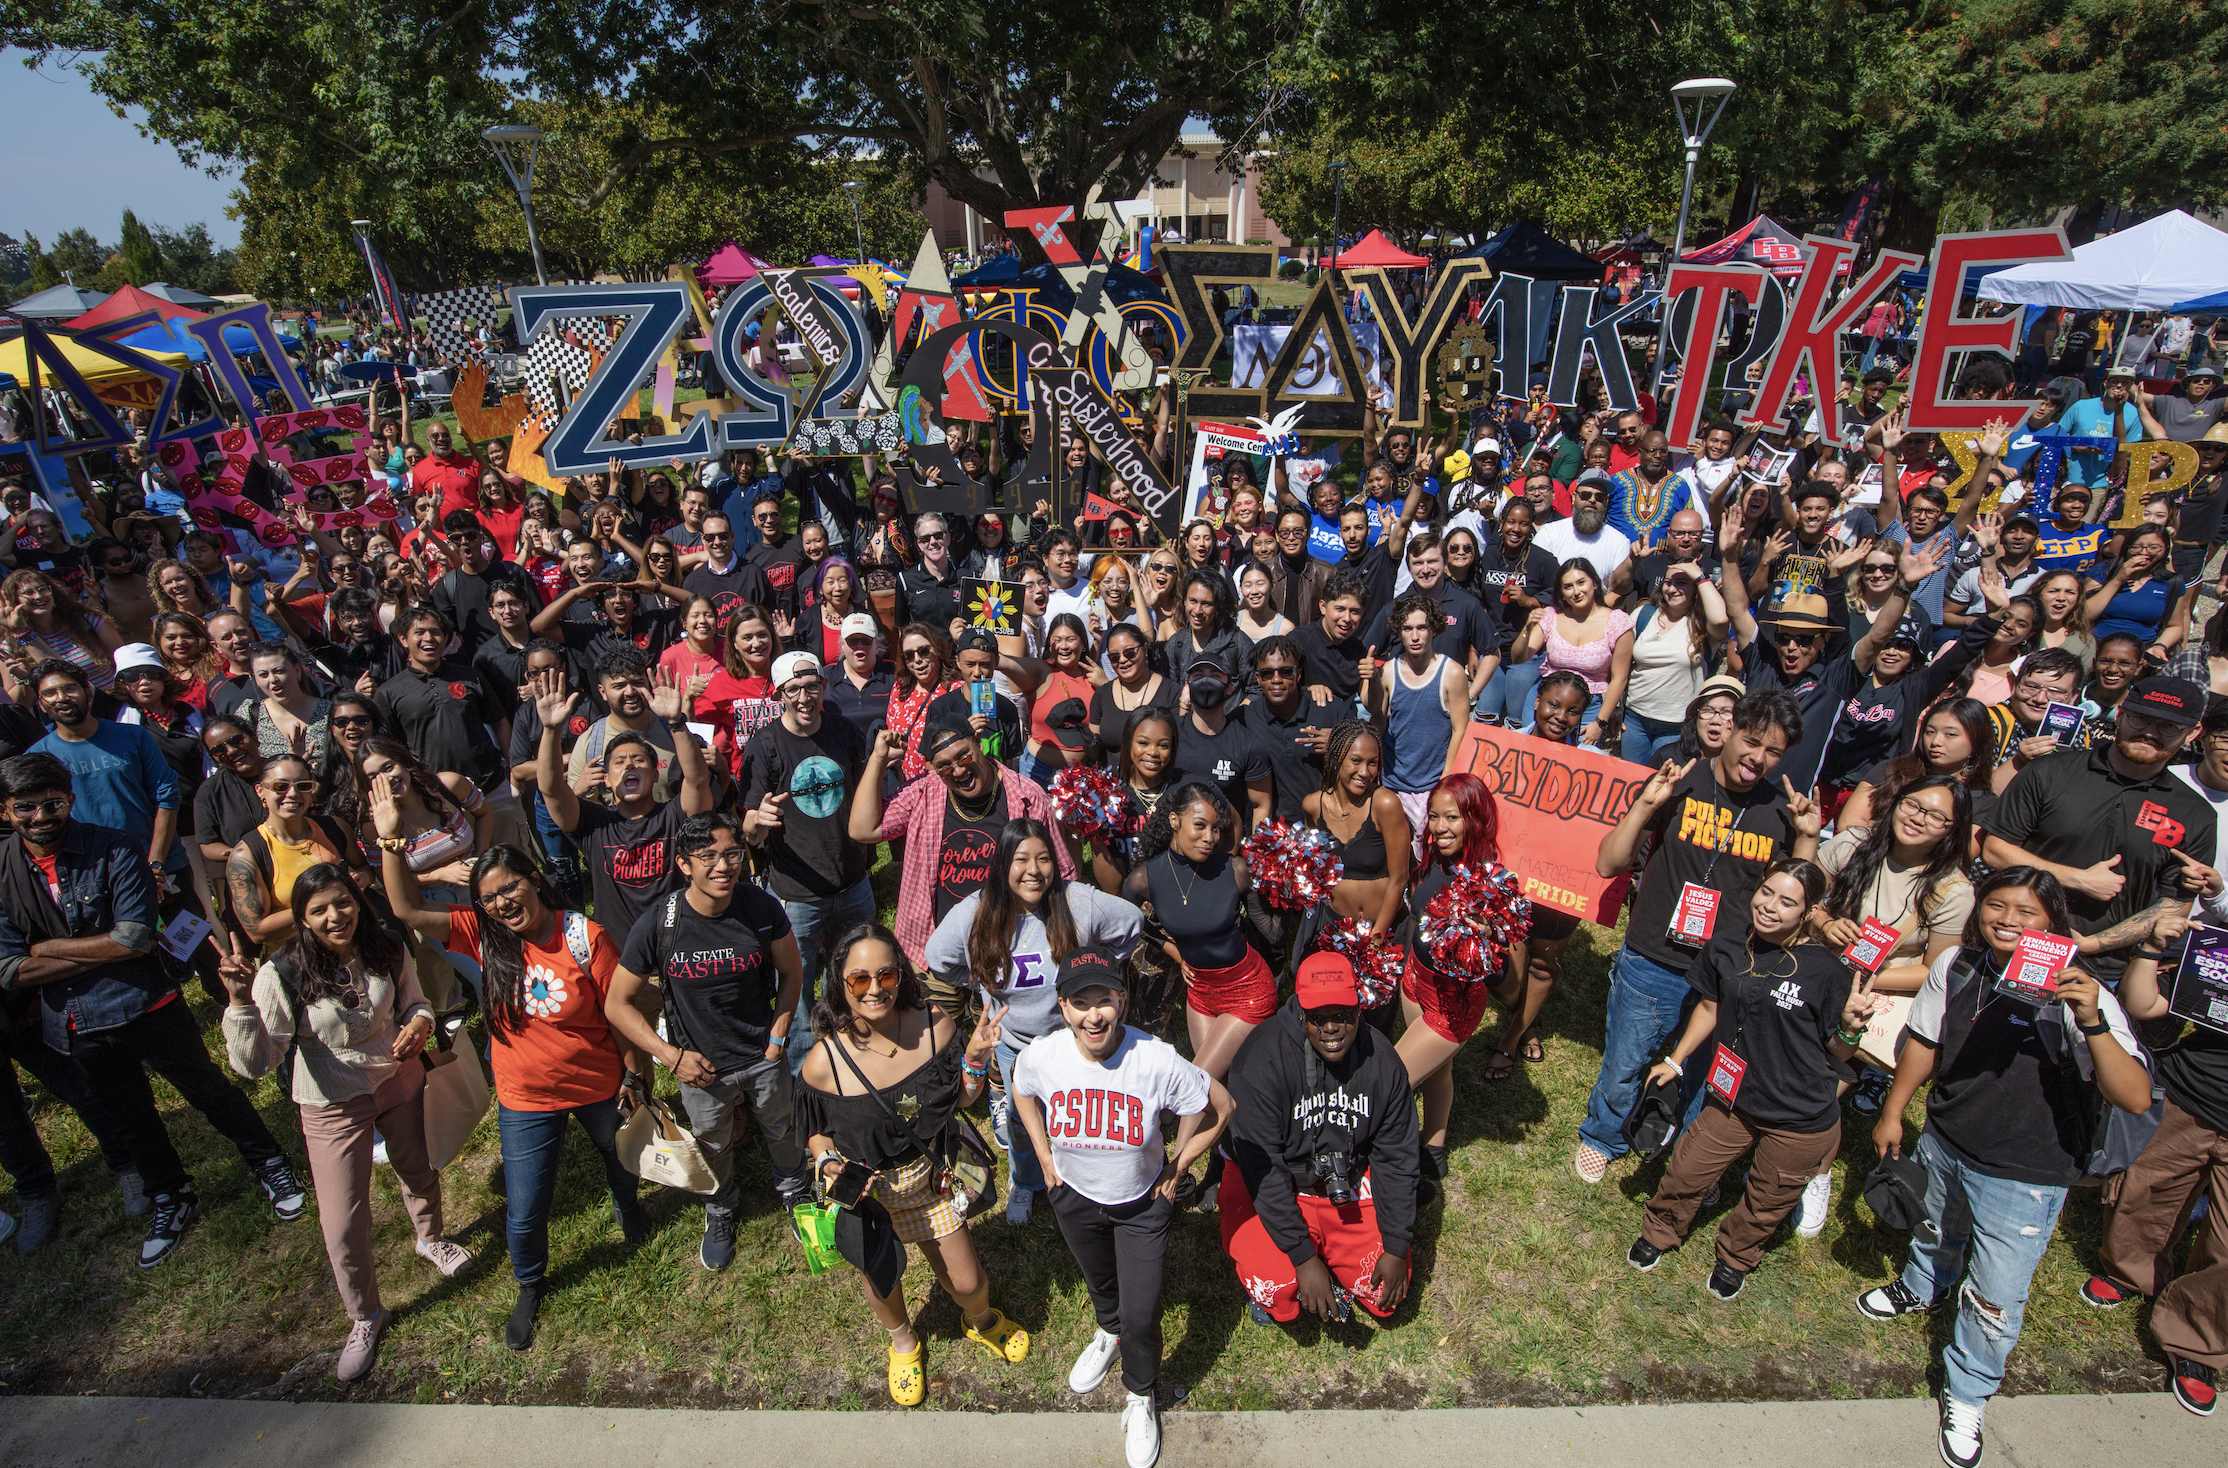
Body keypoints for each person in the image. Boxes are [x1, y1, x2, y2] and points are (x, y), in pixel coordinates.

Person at [1858, 867, 2152, 1468]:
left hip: (2027, 1172)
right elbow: (1925, 1038)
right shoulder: (1958, 966)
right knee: (1933, 1228)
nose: (2009, 921)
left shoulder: (2082, 993)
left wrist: (2092, 1018)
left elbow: (2136, 1096)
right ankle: (1923, 1286)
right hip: (1946, 1139)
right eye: (1997, 906)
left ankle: (1968, 1392)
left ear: (2053, 923)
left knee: (1995, 1295)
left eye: (2028, 912)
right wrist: (1895, 1111)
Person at [0, 752, 305, 1268]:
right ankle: (171, 1195)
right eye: (25, 807)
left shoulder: (114, 847)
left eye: (52, 802)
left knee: (208, 1088)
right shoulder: (2, 870)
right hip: (76, 1020)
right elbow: (7, 969)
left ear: (69, 798)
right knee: (131, 1117)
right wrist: (82, 950)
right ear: (5, 810)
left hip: (147, 1002)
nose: (41, 816)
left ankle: (269, 1162)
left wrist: (43, 949)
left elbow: (136, 938)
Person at [370, 834, 647, 1351]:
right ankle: (530, 1283)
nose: (502, 903)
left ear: (535, 880)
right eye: (489, 898)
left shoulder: (585, 936)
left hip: (596, 1082)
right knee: (524, 1207)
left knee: (620, 1155)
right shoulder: (480, 933)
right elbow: (406, 908)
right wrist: (390, 841)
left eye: (510, 888)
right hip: (525, 1097)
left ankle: (628, 1207)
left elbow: (620, 1015)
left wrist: (635, 1078)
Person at [216, 863, 470, 1380]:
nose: (336, 917)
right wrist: (240, 1002)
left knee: (417, 1167)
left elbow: (416, 1002)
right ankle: (366, 1315)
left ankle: (431, 1238)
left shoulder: (386, 945)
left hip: (397, 1079)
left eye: (343, 902)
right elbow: (256, 1064)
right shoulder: (281, 973)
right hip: (332, 1102)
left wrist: (419, 1025)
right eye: (319, 910)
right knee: (343, 1221)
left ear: (358, 899)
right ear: (301, 918)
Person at [1574, 691, 1821, 1184]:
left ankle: (1685, 1156)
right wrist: (1647, 806)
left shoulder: (1779, 811)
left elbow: (1797, 900)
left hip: (1730, 971)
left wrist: (1808, 838)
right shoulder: (1679, 780)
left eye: (1774, 752)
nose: (1759, 759)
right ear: (1728, 730)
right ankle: (1605, 1134)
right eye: (1751, 742)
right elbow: (1608, 863)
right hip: (1654, 956)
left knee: (1707, 1072)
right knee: (1628, 1057)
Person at [1010, 946, 1233, 1468]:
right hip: (1074, 1197)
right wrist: (1044, 1156)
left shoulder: (1154, 1058)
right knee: (1101, 1285)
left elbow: (1219, 1108)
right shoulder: (1044, 1056)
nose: (1094, 1015)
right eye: (1080, 1002)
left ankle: (1140, 1394)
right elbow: (1021, 1088)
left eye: (1104, 1000)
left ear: (1123, 1001)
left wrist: (1177, 1167)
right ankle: (1105, 1332)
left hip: (1141, 1205)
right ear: (1062, 1008)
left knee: (1141, 1314)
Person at [1626, 859, 1881, 1299]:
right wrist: (1677, 1060)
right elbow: (1710, 1007)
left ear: (1810, 911)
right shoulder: (1726, 945)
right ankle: (1661, 1231)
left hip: (1799, 1113)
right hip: (1731, 1097)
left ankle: (1736, 1258)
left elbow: (1839, 1053)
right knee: (1686, 1172)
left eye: (1788, 903)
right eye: (1766, 893)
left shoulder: (1828, 972)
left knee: (1767, 1200)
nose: (1770, 908)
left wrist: (1851, 1027)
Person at [798, 924, 1028, 1407]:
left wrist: (973, 1057)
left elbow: (961, 1099)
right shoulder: (825, 1062)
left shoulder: (934, 1024)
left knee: (970, 1285)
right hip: (871, 1195)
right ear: (840, 986)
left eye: (885, 974)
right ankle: (904, 1343)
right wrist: (826, 1160)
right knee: (882, 1277)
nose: (875, 988)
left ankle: (978, 1321)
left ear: (901, 974)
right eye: (859, 980)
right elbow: (815, 1130)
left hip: (932, 1180)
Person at [604, 811, 811, 1268]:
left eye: (733, 854)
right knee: (712, 1142)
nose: (724, 866)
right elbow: (616, 1003)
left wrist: (778, 1036)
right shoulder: (660, 922)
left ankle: (795, 1189)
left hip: (762, 1055)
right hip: (700, 1068)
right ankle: (720, 1207)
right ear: (684, 864)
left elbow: (792, 971)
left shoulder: (761, 907)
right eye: (709, 856)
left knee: (781, 1127)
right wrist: (671, 1057)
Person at [925, 818, 1142, 1223]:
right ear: (1003, 863)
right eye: (1021, 859)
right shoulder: (975, 912)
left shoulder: (1077, 901)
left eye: (1044, 859)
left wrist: (1099, 972)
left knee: (1078, 1116)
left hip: (1076, 1043)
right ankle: (1025, 1181)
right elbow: (938, 957)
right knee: (1023, 1125)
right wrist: (978, 982)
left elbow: (1131, 923)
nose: (1034, 870)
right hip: (1016, 1047)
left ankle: (1083, 1179)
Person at [1221, 950, 1420, 1327]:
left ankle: (1336, 1252)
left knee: (1384, 1296)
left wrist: (1396, 1243)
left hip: (1342, 1182)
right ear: (1300, 1013)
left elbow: (1398, 1155)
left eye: (1342, 1015)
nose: (1331, 1027)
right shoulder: (1260, 1061)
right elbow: (1263, 1169)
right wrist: (1302, 1257)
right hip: (1266, 1181)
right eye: (1318, 1017)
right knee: (1278, 1287)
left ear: (1359, 1011)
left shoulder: (1383, 1061)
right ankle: (1290, 1266)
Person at [2085, 908, 2228, 1416]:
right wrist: (2151, 947)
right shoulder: (2220, 943)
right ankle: (2130, 1272)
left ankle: (2195, 1338)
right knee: (2147, 1190)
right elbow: (2143, 1005)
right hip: (2192, 1094)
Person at [1984, 676, 2218, 984]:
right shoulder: (2049, 771)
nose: (2149, 732)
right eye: (2140, 718)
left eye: (2168, 727)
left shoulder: (2197, 813)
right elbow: (1994, 849)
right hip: (2013, 944)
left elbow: (2174, 905)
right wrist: (2079, 879)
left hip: (2104, 970)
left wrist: (2091, 944)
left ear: (2193, 733)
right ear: (2120, 714)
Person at [1718, 503, 1937, 796]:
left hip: (1784, 804)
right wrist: (1729, 555)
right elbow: (1737, 610)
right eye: (1784, 638)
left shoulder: (1835, 678)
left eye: (1804, 640)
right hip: (1727, 787)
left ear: (1822, 641)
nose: (1791, 647)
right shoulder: (1762, 660)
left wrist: (1904, 588)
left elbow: (1875, 639)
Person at [742, 650, 876, 1069]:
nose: (804, 697)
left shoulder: (843, 732)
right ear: (779, 694)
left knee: (854, 976)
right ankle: (803, 1073)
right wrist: (757, 823)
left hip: (853, 882)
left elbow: (864, 792)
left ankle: (856, 1056)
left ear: (822, 687)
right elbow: (747, 826)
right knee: (795, 989)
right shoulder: (764, 746)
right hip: (796, 893)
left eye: (812, 686)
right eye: (794, 689)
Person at [1400, 772, 1530, 1145]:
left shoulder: (1491, 887)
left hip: (1452, 1005)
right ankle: (1434, 1148)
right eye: (1435, 816)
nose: (1439, 828)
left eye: (1451, 818)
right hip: (1414, 984)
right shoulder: (1433, 857)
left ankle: (1389, 1163)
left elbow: (1506, 977)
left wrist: (1486, 938)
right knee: (1438, 1072)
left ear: (1475, 819)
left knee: (1390, 1081)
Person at [226, 752, 374, 957]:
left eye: (303, 786)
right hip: (295, 961)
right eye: (280, 786)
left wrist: (362, 879)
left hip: (352, 950)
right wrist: (318, 906)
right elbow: (257, 931)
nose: (293, 793)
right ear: (260, 791)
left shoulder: (334, 828)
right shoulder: (247, 854)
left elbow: (364, 868)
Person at [1369, 592, 1472, 845]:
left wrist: (1446, 777)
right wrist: (1370, 679)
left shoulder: (1452, 672)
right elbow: (1377, 717)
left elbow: (1461, 729)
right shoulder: (1389, 671)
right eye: (1407, 629)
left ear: (1434, 629)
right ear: (1398, 632)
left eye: (1421, 628)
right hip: (1392, 782)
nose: (1415, 636)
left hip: (1432, 785)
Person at [371, 604, 509, 790]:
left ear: (445, 639)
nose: (429, 638)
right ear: (403, 639)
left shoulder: (470, 676)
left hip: (493, 785)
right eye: (419, 632)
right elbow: (389, 748)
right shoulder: (388, 692)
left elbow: (499, 722)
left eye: (436, 632)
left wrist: (512, 766)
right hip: (436, 795)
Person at [1506, 562, 1628, 748]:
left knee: (1579, 765)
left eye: (1581, 583)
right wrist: (1527, 629)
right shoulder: (1551, 615)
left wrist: (1600, 722)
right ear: (1561, 592)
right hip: (1546, 701)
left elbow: (1619, 678)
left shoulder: (1617, 621)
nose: (1576, 592)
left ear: (1595, 583)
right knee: (1532, 754)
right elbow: (1518, 657)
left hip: (1588, 708)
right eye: (1568, 587)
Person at [1620, 557, 1728, 764]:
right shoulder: (1643, 615)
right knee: (1632, 786)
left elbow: (1721, 619)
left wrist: (1699, 576)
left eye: (1682, 582)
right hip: (1635, 720)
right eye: (1669, 582)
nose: (1672, 589)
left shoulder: (1703, 626)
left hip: (1677, 725)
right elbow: (1621, 664)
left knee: (1666, 787)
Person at [1170, 650, 1274, 836]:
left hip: (1225, 851)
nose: (1207, 682)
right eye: (1199, 676)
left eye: (1216, 676)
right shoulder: (1169, 734)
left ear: (1230, 687)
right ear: (1188, 686)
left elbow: (1261, 806)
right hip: (1173, 848)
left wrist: (1256, 854)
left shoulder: (1247, 744)